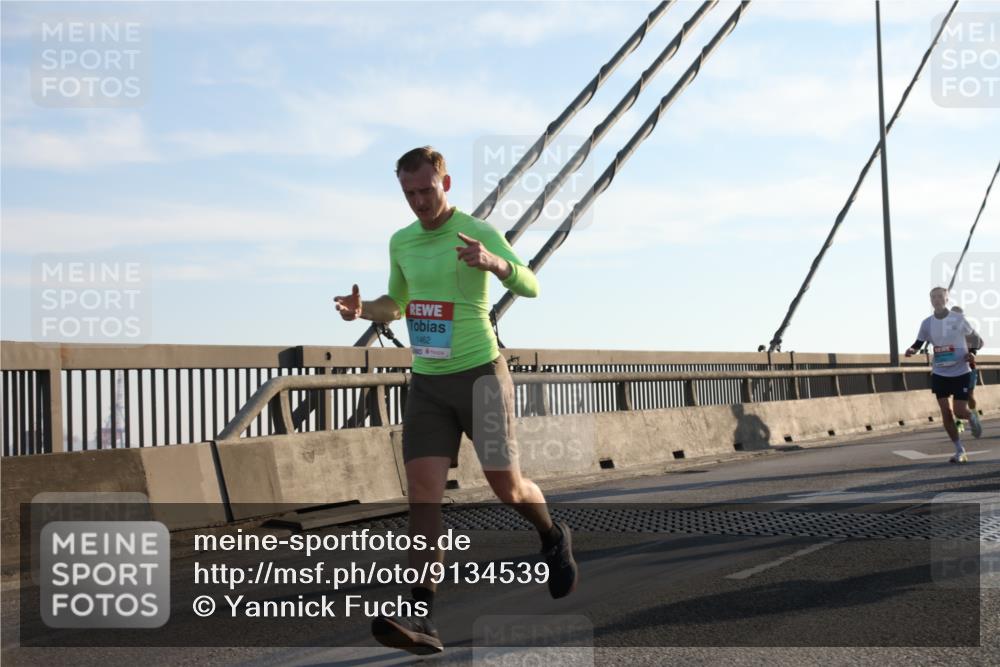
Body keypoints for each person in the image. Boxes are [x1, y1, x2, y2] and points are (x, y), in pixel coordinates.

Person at [334, 147, 578, 656]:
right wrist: (363, 311)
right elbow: (396, 303)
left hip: (481, 376)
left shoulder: (476, 231)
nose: (419, 201)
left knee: (507, 487)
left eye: (426, 190)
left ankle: (553, 535)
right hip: (428, 382)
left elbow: (531, 283)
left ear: (445, 183)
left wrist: (494, 262)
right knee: (423, 495)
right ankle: (421, 613)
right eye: (409, 193)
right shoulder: (401, 241)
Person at [904, 287, 983, 463]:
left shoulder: (958, 319)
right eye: (933, 297)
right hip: (940, 372)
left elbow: (976, 340)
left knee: (959, 411)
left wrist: (972, 354)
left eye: (940, 296)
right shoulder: (927, 323)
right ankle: (959, 450)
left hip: (960, 371)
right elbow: (918, 343)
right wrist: (912, 350)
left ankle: (971, 417)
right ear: (930, 300)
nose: (937, 299)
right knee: (946, 413)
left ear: (947, 299)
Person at [949, 306, 983, 435]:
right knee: (955, 396)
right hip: (953, 369)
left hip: (969, 368)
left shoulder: (969, 330)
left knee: (969, 395)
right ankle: (959, 422)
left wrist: (972, 352)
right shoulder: (947, 331)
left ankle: (974, 415)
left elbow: (979, 342)